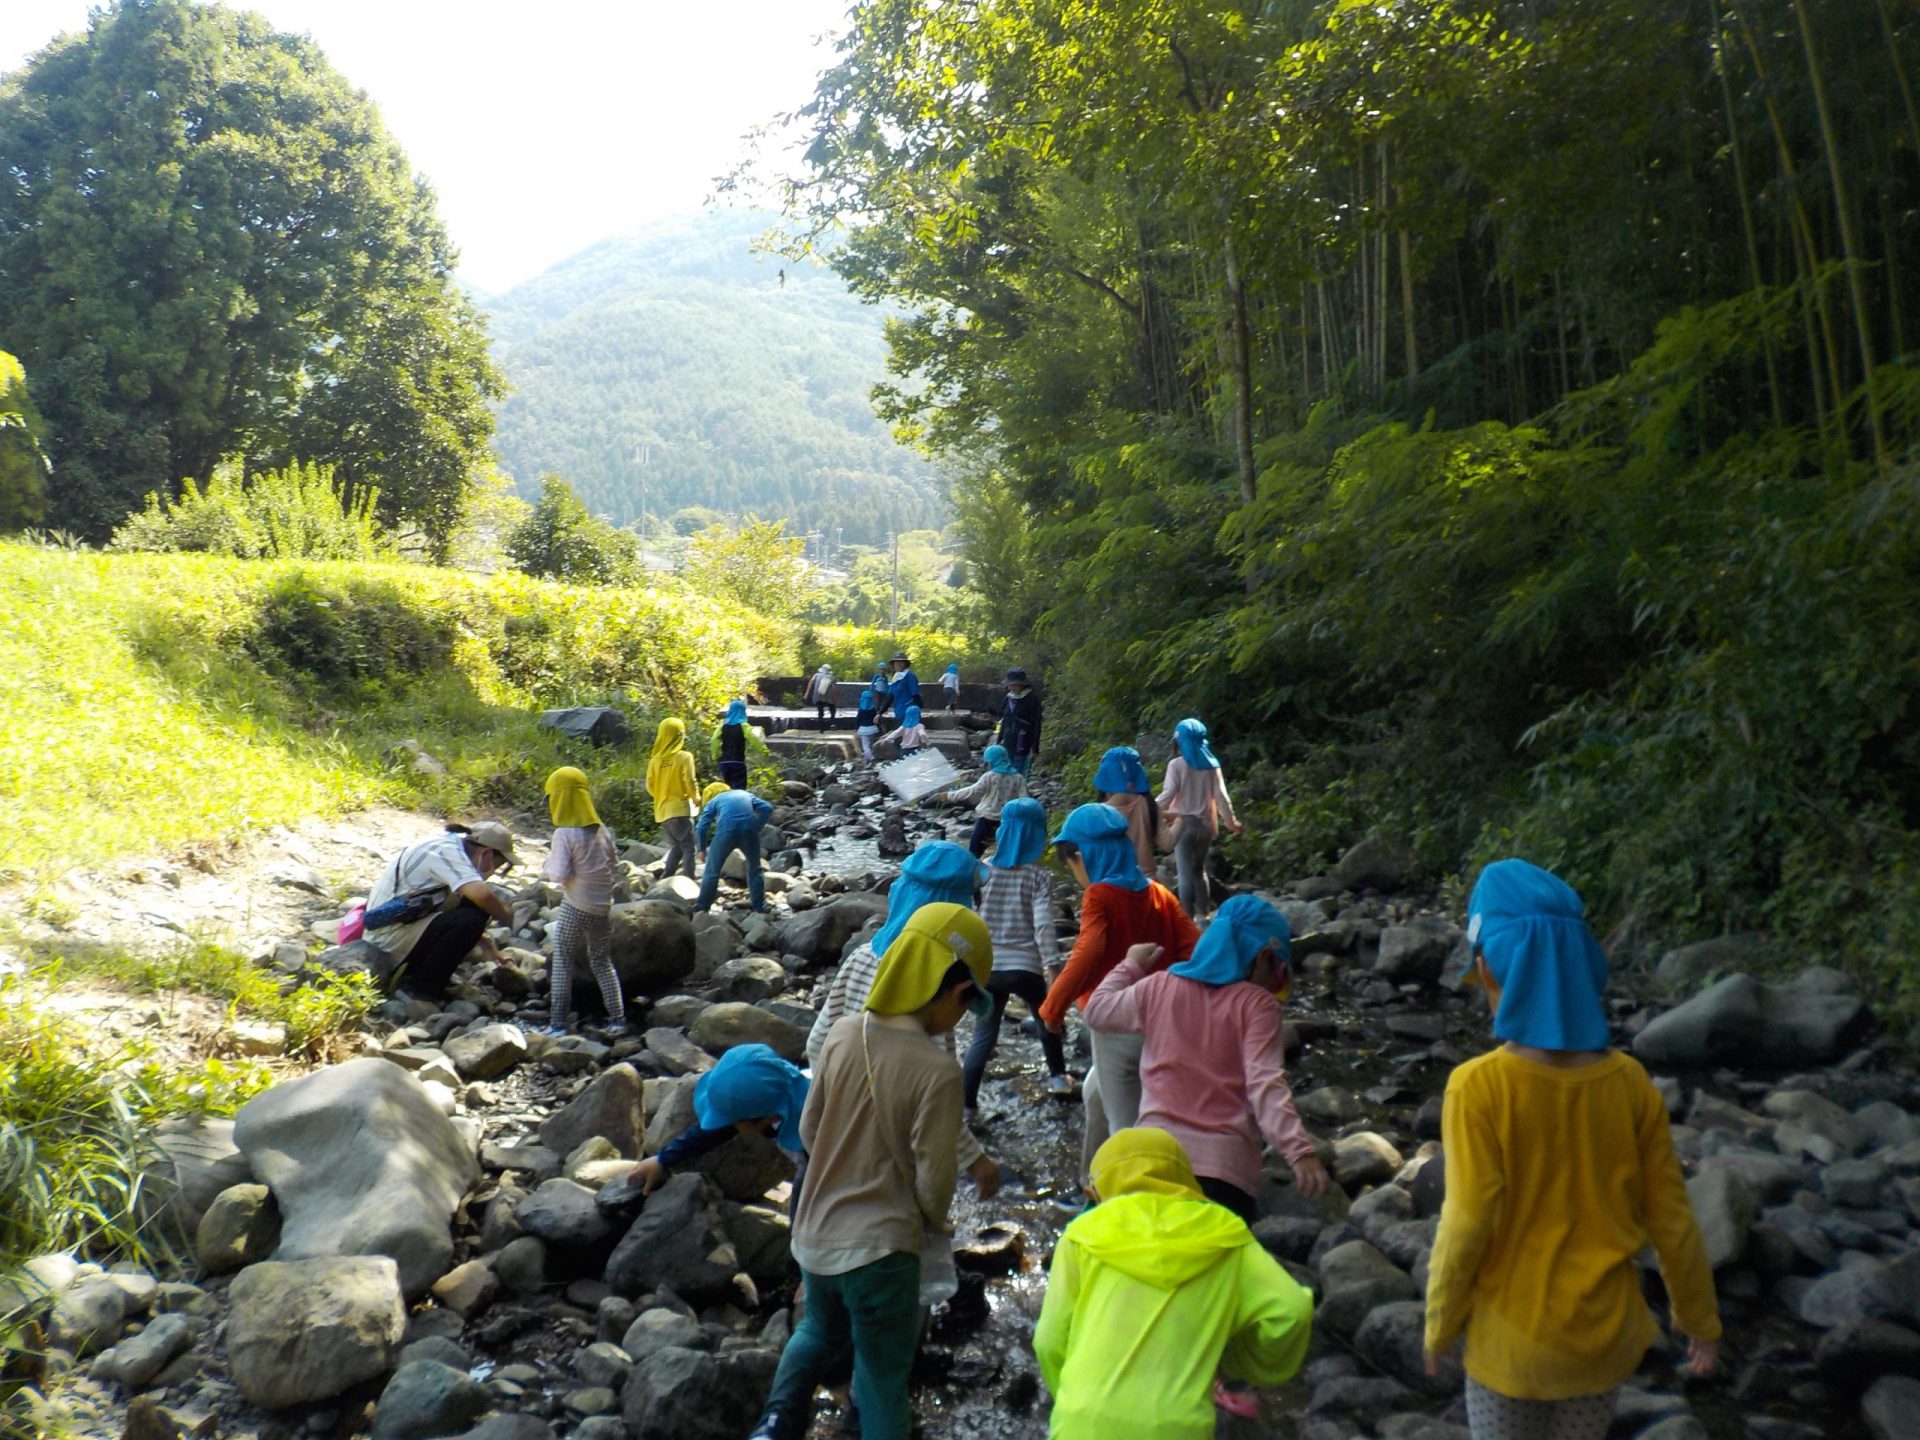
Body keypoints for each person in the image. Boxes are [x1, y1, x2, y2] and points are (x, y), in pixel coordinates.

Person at [1424, 859, 1721, 1440]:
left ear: (1486, 969)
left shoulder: (1477, 1087)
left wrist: (1440, 1324)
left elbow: (1467, 1221)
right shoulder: (1630, 1083)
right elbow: (1671, 1216)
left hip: (1510, 1346)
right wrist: (1698, 1318)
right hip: (1601, 1344)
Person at [752, 903, 994, 1440]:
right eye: (967, 1002)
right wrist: (934, 1219)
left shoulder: (843, 1033)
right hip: (883, 1251)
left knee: (815, 1332)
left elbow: (809, 1129)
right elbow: (935, 1176)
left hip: (816, 1235)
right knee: (883, 1377)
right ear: (957, 991)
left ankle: (774, 1423)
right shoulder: (939, 1072)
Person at [1033, 1128, 1315, 1440]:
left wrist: (1068, 1398)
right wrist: (1239, 1361)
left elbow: (1048, 1341)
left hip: (1082, 1423)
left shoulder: (1082, 1234)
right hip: (1179, 1427)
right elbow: (1292, 1311)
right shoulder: (1225, 1233)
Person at [1082, 894, 1328, 1221]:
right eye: (1278, 969)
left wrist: (1130, 965)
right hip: (1223, 1173)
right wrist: (1298, 1151)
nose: (1276, 982)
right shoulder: (1258, 1005)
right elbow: (1264, 1083)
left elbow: (1097, 1012)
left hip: (1153, 1160)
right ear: (1262, 957)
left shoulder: (1160, 986)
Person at [807, 841, 1002, 1199]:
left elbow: (818, 1044)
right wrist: (973, 1159)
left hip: (833, 1143)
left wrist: (832, 1111)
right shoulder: (938, 995)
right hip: (889, 1167)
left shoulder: (860, 958)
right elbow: (938, 1101)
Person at [1039, 804, 1200, 1181]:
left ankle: (1127, 1195)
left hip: (1115, 1026)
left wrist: (1052, 1008)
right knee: (1094, 1093)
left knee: (1124, 1126)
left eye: (1071, 864)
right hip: (1161, 1021)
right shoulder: (1159, 893)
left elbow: (1088, 951)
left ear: (1081, 856)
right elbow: (1195, 950)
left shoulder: (1099, 896)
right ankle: (1089, 1182)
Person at [963, 797, 1071, 1107]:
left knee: (983, 1036)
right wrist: (1053, 967)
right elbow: (1043, 924)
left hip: (988, 967)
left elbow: (969, 917)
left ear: (1003, 831)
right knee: (1046, 1019)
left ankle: (967, 1104)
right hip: (1026, 968)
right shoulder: (1038, 876)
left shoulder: (981, 872)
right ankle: (1058, 1078)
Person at [627, 1043, 809, 1197]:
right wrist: (662, 1159)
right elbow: (711, 1134)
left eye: (730, 1120)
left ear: (770, 1118)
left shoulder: (810, 1139)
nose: (726, 1125)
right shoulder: (777, 1087)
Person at [364, 821, 517, 999]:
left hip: (402, 923)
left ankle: (424, 974)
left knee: (473, 909)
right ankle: (424, 990)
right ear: (487, 853)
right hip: (386, 941)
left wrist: (490, 950)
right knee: (472, 919)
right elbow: (482, 896)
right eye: (498, 866)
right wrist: (508, 917)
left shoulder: (449, 843)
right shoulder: (447, 852)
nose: (493, 872)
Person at [540, 767, 628, 1036]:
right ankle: (618, 1020)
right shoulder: (602, 830)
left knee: (563, 960)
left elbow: (560, 874)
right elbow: (613, 865)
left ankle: (557, 1024)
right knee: (602, 962)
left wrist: (547, 865)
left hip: (575, 906)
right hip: (602, 906)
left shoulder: (564, 834)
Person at [1157, 718, 1241, 922]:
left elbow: (1168, 794)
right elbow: (1221, 797)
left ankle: (1187, 919)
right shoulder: (1212, 765)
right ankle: (1204, 914)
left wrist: (1150, 809)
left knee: (1184, 874)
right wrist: (1231, 821)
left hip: (1183, 825)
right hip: (1205, 826)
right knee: (1199, 870)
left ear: (1178, 742)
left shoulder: (1176, 764)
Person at [695, 780, 774, 914]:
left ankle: (702, 907)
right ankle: (759, 906)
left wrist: (701, 849)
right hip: (749, 832)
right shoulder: (744, 794)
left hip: (726, 832)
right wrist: (757, 827)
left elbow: (701, 827)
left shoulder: (714, 800)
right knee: (755, 869)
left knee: (712, 870)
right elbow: (767, 808)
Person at [938, 744, 1027, 857]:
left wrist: (950, 796)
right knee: (1005, 850)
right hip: (1008, 821)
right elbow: (1025, 800)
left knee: (974, 851)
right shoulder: (1019, 778)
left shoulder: (990, 777)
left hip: (987, 819)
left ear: (992, 761)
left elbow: (972, 791)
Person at [647, 717, 700, 880]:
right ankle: (689, 879)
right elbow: (689, 781)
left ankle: (666, 877)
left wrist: (662, 796)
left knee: (676, 847)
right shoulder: (684, 757)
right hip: (679, 809)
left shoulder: (655, 760)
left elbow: (650, 786)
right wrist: (696, 799)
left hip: (662, 812)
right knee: (689, 847)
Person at [1093, 745, 1159, 876]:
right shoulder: (1149, 804)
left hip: (1112, 881)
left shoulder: (1097, 813)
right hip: (1147, 878)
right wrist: (1181, 818)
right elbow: (1167, 844)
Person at [996, 668, 1043, 775]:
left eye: (1014, 685)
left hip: (1023, 742)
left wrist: (1035, 748)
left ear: (1022, 685)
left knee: (1018, 773)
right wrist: (999, 740)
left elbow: (1036, 724)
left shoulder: (1032, 699)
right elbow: (1004, 720)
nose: (1011, 687)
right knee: (1006, 771)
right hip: (1008, 741)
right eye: (1010, 685)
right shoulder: (1008, 698)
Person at [715, 699, 751, 789]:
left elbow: (714, 740)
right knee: (739, 790)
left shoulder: (722, 725)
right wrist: (764, 750)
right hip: (738, 762)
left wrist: (715, 755)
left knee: (726, 788)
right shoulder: (744, 726)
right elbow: (753, 739)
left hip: (724, 762)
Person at [854, 685, 884, 763]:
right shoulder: (873, 709)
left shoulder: (861, 709)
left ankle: (872, 759)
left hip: (863, 729)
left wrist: (856, 728)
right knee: (870, 745)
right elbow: (876, 719)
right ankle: (865, 761)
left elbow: (858, 720)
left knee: (865, 747)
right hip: (872, 729)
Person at [806, 664, 839, 731]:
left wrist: (807, 693)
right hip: (829, 698)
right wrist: (836, 698)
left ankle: (821, 728)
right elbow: (835, 689)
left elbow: (810, 683)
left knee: (820, 711)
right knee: (832, 709)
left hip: (818, 696)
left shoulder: (816, 675)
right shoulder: (832, 677)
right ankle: (832, 723)